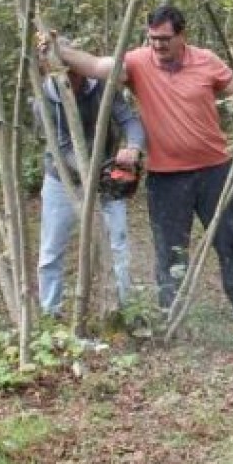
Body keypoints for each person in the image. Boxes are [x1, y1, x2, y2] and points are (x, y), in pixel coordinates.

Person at [43, 5, 233, 320]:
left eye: (164, 39)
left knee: (228, 239)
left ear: (182, 35)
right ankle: (171, 313)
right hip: (167, 178)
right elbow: (95, 65)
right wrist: (58, 49)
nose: (158, 45)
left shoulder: (207, 60)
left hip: (215, 170)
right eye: (152, 39)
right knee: (169, 248)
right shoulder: (137, 61)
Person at [35, 63, 145, 318]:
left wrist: (134, 147)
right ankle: (50, 313)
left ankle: (123, 309)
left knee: (117, 243)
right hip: (62, 181)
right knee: (52, 250)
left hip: (106, 179)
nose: (72, 78)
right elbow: (61, 147)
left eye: (75, 71)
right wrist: (94, 172)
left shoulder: (103, 87)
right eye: (64, 74)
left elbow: (129, 120)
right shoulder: (44, 100)